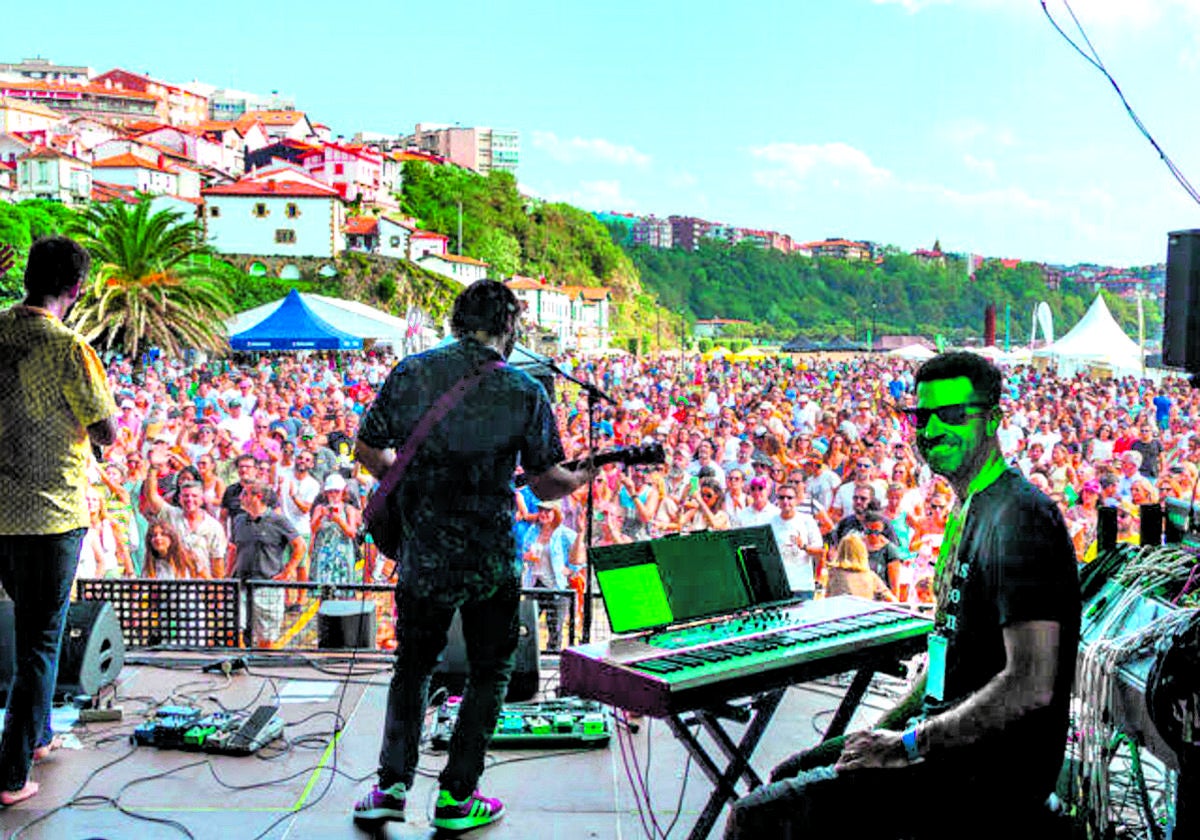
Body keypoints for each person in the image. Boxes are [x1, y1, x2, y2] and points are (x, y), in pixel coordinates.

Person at [726, 351, 1080, 838]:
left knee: (758, 819)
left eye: (953, 414)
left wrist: (906, 745)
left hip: (987, 775)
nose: (933, 429)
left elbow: (1032, 683)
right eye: (922, 415)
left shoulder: (1019, 519)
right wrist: (873, 737)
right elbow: (943, 669)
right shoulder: (965, 508)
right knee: (795, 770)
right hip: (943, 751)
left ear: (995, 418)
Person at [351, 280, 594, 831]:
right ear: (511, 329)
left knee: (412, 666)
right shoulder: (524, 391)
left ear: (458, 320)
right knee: (491, 669)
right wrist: (582, 476)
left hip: (423, 552)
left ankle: (390, 786)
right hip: (489, 559)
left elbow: (367, 446)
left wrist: (407, 482)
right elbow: (546, 483)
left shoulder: (412, 371)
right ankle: (458, 795)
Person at [0, 236, 118, 807]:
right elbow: (106, 428)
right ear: (76, 289)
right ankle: (11, 774)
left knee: (28, 634)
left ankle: (39, 735)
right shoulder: (70, 348)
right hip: (49, 514)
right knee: (40, 643)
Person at [225, 481, 304, 646]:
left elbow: (299, 545)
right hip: (241, 583)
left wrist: (288, 570)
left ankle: (261, 664)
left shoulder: (278, 520)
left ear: (258, 497)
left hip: (267, 583)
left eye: (245, 494)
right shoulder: (239, 520)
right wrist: (228, 575)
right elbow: (234, 548)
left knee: (266, 638)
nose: (241, 498)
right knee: (235, 631)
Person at [518, 498, 585, 651]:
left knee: (555, 629)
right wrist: (525, 556)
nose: (543, 513)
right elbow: (525, 551)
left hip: (556, 587)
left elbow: (582, 555)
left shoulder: (564, 534)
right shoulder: (532, 531)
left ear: (556, 513)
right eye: (541, 510)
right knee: (527, 626)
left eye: (548, 510)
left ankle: (552, 657)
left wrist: (571, 569)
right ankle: (528, 658)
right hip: (534, 585)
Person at [307, 472, 361, 587]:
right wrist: (321, 516)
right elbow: (313, 529)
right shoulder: (320, 508)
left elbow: (352, 533)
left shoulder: (349, 509)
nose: (333, 494)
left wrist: (338, 520)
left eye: (337, 491)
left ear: (343, 492)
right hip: (323, 554)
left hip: (343, 555)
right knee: (323, 591)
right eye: (330, 491)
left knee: (343, 593)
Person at [825, 534, 897, 602]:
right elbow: (892, 600)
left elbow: (827, 599)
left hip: (842, 613)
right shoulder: (871, 576)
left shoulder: (833, 573)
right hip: (864, 613)